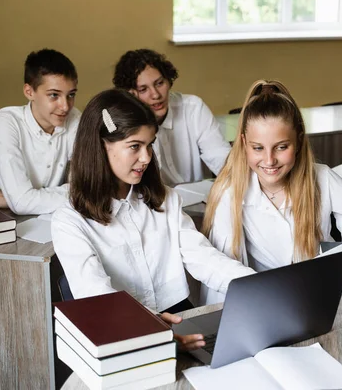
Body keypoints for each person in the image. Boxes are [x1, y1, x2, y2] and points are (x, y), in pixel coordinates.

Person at [51, 89, 254, 350]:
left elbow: (203, 257)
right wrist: (151, 327)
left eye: (149, 145)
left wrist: (253, 285)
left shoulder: (165, 199)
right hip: (121, 329)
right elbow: (95, 293)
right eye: (135, 146)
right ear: (100, 146)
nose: (146, 158)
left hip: (180, 317)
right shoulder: (69, 221)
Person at [201, 80, 342, 304]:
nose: (269, 160)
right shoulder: (230, 190)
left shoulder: (322, 178)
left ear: (299, 140)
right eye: (258, 148)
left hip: (321, 294)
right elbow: (221, 272)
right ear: (244, 143)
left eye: (281, 147)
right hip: (263, 300)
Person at [112, 49, 231, 186]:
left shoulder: (193, 108)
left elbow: (220, 156)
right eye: (143, 89)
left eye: (159, 83)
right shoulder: (127, 122)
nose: (155, 95)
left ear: (169, 81)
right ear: (131, 94)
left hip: (199, 200)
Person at [0, 49, 80, 214]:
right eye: (54, 95)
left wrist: (11, 200)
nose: (65, 106)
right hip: (5, 219)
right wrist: (19, 202)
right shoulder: (6, 122)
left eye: (71, 95)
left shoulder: (75, 118)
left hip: (52, 219)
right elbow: (82, 196)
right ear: (29, 92)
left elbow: (89, 189)